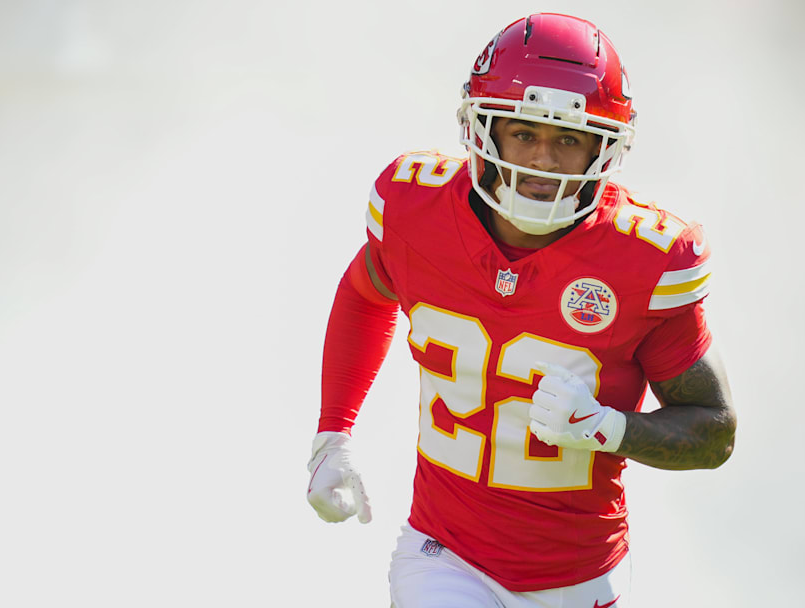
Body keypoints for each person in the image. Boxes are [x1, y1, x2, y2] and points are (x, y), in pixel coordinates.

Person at [306, 12, 737, 608]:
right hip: (443, 554)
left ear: (603, 148)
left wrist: (608, 428)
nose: (544, 160)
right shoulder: (417, 212)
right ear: (484, 130)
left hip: (579, 576)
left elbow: (714, 431)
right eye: (523, 132)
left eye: (569, 139)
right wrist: (334, 432)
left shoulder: (644, 260)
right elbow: (364, 294)